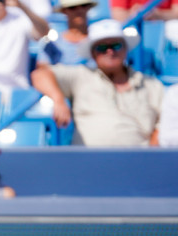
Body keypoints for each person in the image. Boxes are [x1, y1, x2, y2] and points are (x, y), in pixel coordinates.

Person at [30, 19, 164, 146]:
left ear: (125, 49)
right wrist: (58, 99)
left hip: (138, 164)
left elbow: (164, 125)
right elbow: (40, 75)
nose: (110, 51)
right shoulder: (80, 75)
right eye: (102, 47)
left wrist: (149, 158)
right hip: (88, 164)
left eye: (116, 45)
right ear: (93, 53)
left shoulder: (152, 84)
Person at [36, 0, 97, 68]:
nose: (79, 11)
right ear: (64, 11)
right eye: (72, 7)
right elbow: (42, 69)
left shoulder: (100, 40)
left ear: (89, 7)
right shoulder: (53, 43)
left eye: (84, 6)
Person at [111, 0, 178, 23]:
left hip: (163, 25)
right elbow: (117, 15)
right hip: (133, 26)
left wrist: (157, 14)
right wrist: (135, 14)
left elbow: (176, 13)